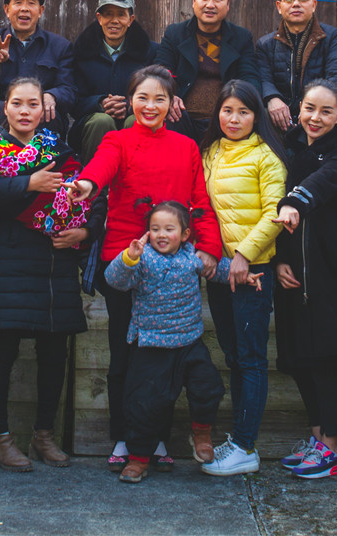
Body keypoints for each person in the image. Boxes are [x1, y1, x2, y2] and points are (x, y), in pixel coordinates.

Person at [68, 65, 225, 472]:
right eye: (142, 97)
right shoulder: (117, 139)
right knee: (125, 355)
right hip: (126, 260)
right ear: (130, 100)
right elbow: (99, 168)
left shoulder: (186, 146)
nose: (150, 106)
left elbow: (199, 202)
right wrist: (85, 186)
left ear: (173, 103)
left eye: (159, 98)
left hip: (172, 266)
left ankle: (156, 437)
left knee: (168, 359)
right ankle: (125, 435)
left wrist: (208, 249)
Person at [0, 77, 95, 471]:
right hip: (8, 257)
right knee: (4, 349)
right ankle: (0, 438)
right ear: (4, 108)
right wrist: (28, 183)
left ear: (44, 109)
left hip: (53, 261)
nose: (25, 111)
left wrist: (84, 230)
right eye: (17, 104)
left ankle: (43, 436)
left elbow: (84, 190)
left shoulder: (57, 147)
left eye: (32, 104)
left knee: (54, 352)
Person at [103, 202, 240, 484]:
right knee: (144, 404)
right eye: (155, 229)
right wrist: (128, 257)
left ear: (186, 233)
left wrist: (245, 276)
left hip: (189, 343)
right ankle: (139, 459)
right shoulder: (142, 259)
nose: (161, 235)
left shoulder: (193, 257)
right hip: (151, 344)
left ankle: (201, 433)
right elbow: (115, 280)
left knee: (208, 387)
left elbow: (220, 271)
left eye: (169, 229)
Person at [272, 80, 337, 480]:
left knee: (326, 359)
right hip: (292, 272)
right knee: (299, 359)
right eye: (310, 108)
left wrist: (293, 202)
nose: (315, 118)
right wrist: (278, 260)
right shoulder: (290, 147)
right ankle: (316, 439)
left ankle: (331, 449)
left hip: (330, 272)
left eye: (326, 111)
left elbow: (319, 184)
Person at [196, 80, 288, 476]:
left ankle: (245, 446)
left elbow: (275, 214)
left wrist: (244, 256)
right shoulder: (211, 151)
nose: (234, 119)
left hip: (252, 272)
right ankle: (236, 441)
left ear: (257, 116)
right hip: (219, 271)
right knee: (233, 356)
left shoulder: (267, 157)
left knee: (250, 359)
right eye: (228, 110)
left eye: (244, 112)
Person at [155, 0, 263, 142]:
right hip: (182, 116)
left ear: (228, 5)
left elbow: (250, 77)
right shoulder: (175, 34)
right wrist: (167, 94)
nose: (210, 5)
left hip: (224, 119)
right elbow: (161, 70)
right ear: (193, 2)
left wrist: (238, 106)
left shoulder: (241, 37)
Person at [0, 0, 76, 135]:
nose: (24, 9)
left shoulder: (60, 46)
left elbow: (69, 90)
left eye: (31, 3)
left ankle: (46, 160)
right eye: (18, 2)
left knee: (48, 113)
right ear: (7, 10)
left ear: (41, 11)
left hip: (41, 114)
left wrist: (51, 95)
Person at [69, 0, 156, 160]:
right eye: (108, 14)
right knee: (102, 121)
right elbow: (74, 100)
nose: (114, 21)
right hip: (91, 125)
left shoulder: (150, 52)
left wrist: (129, 105)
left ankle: (135, 183)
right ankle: (95, 184)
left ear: (130, 20)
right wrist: (100, 102)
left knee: (136, 122)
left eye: (121, 15)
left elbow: (157, 94)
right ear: (99, 18)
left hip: (134, 115)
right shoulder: (81, 52)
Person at [256, 0, 337, 132]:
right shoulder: (265, 44)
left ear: (313, 5)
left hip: (318, 114)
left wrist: (311, 107)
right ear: (279, 7)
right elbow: (263, 78)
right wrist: (272, 98)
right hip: (280, 116)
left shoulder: (332, 37)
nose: (296, 4)